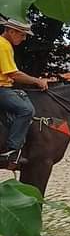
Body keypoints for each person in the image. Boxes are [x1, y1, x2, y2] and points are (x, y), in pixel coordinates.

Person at [0, 18, 48, 166]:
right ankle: (12, 151)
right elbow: (13, 74)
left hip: (6, 87)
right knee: (26, 110)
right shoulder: (3, 46)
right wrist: (37, 81)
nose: (24, 38)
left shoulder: (5, 44)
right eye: (22, 34)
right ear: (11, 31)